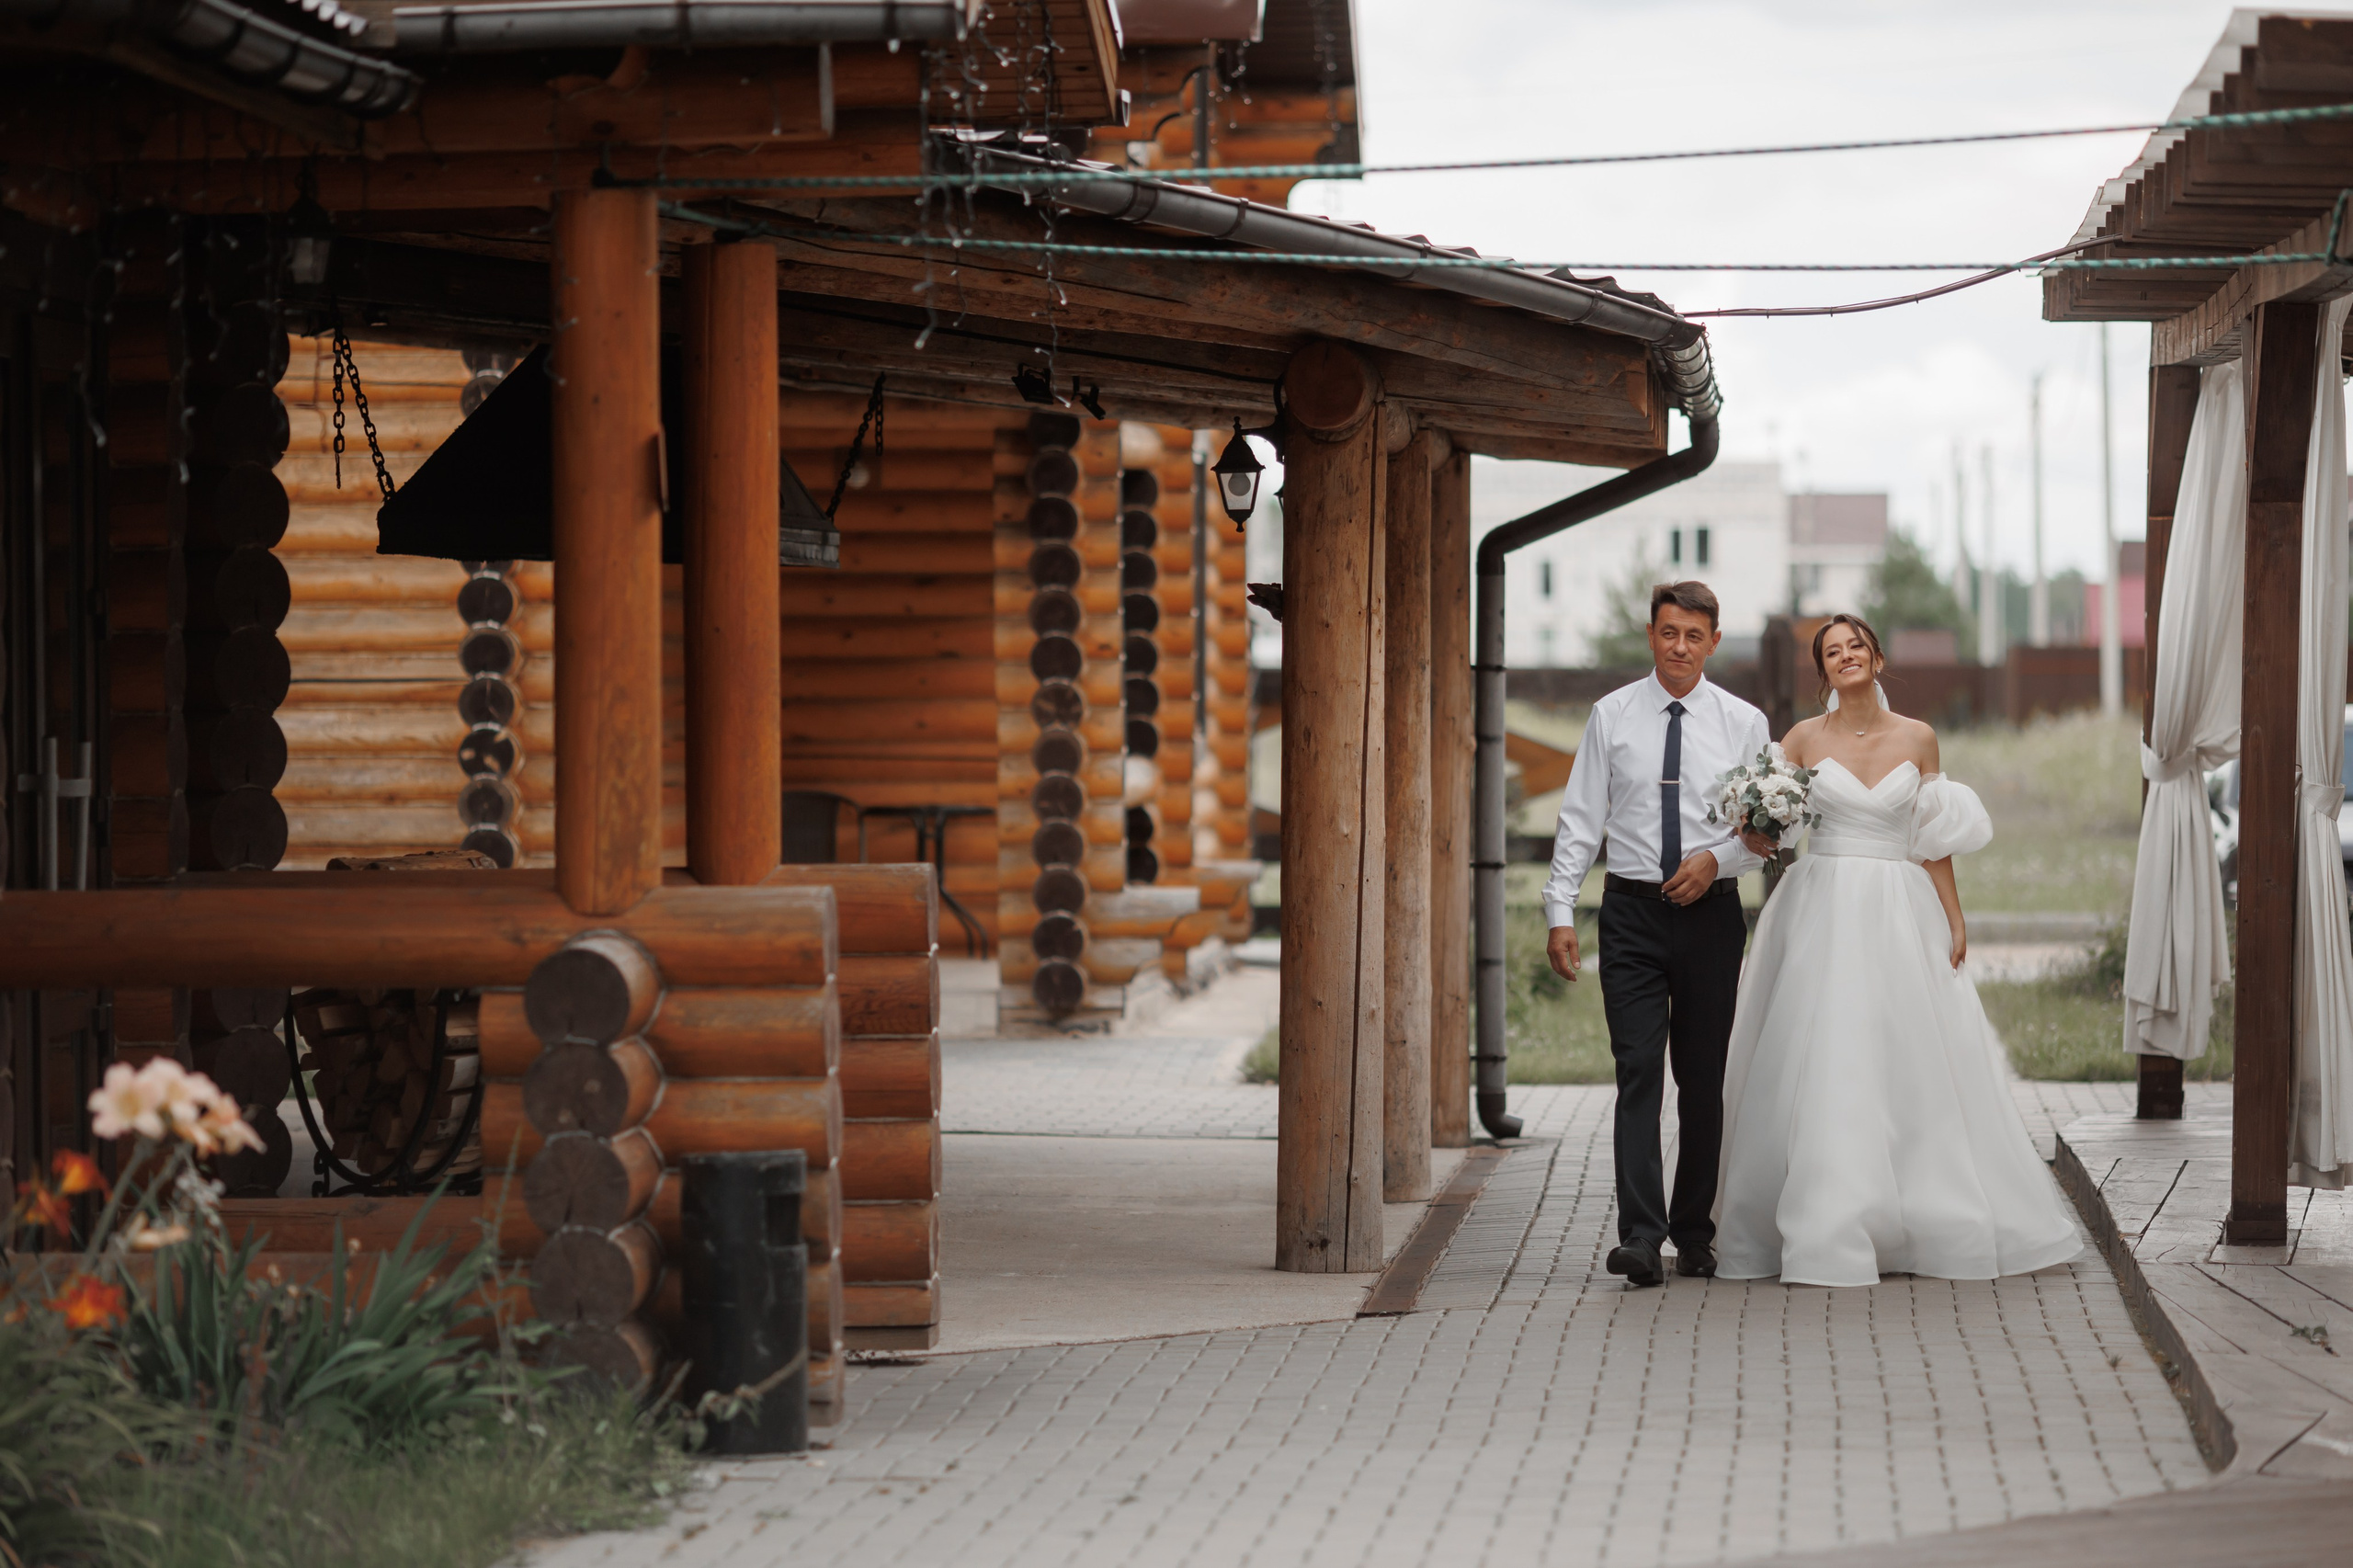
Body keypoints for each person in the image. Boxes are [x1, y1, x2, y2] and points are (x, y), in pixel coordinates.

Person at [1712, 613, 2080, 1287]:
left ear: (1877, 658)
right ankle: (1822, 1220)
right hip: (1820, 903)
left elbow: (1930, 836)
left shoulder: (1918, 736)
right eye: (1832, 651)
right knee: (1822, 1053)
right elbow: (1768, 825)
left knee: (1907, 1054)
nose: (1846, 656)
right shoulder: (1799, 737)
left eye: (1856, 646)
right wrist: (1757, 824)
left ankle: (1921, 1214)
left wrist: (1954, 917)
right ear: (1822, 670)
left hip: (1898, 907)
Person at [1542, 581, 1768, 1287]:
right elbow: (1581, 819)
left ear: (1714, 642)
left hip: (1711, 917)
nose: (1679, 647)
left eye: (1693, 636)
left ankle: (1695, 1234)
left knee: (1702, 1081)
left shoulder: (1744, 722)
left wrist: (1715, 859)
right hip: (1631, 914)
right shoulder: (1611, 716)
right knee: (1637, 1071)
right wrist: (1559, 910)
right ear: (1651, 635)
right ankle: (1641, 1236)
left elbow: (1766, 831)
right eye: (1668, 633)